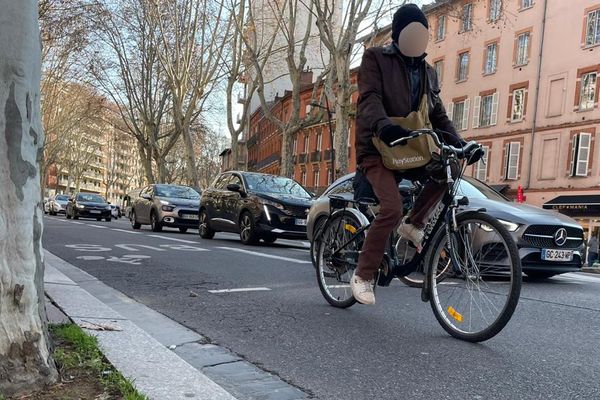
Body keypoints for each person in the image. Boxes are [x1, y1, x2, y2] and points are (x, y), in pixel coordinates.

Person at [350, 4, 483, 305]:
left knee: (446, 169)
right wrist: (383, 126)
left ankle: (414, 224)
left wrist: (462, 146)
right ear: (398, 34)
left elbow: (438, 117)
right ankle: (363, 275)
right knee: (391, 208)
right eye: (411, 32)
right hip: (377, 147)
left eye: (422, 33)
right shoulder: (375, 59)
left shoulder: (428, 73)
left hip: (410, 148)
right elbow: (368, 99)